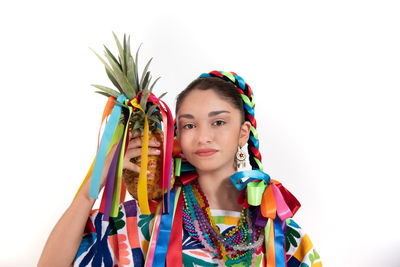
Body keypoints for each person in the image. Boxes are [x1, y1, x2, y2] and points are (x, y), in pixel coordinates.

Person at [38, 71, 322, 267]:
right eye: (189, 125)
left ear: (243, 132)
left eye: (219, 122)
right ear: (177, 136)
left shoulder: (276, 230)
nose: (202, 136)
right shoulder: (144, 222)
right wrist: (94, 184)